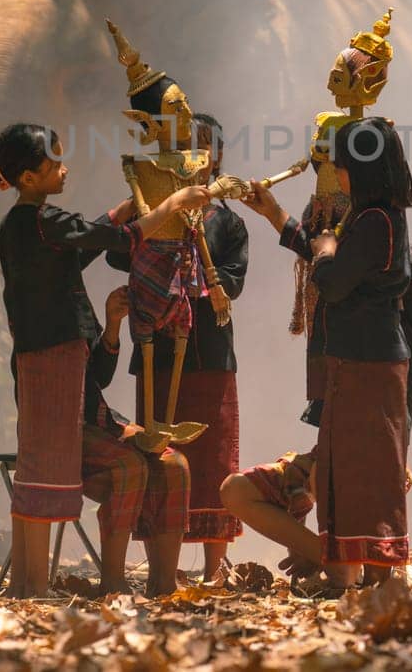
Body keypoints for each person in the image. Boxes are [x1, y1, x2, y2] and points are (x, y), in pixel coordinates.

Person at [0, 122, 210, 598]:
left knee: (172, 465)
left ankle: (162, 586)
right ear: (30, 178)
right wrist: (170, 207)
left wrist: (129, 207)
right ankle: (99, 585)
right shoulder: (38, 222)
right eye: (53, 163)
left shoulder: (33, 229)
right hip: (49, 379)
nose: (63, 168)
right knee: (118, 468)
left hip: (74, 387)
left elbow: (84, 244)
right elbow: (110, 241)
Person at [238, 117, 412, 587]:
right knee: (344, 472)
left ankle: (379, 582)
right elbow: (326, 252)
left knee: (369, 475)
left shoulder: (377, 220)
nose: (336, 174)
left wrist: (326, 248)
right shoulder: (368, 217)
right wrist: (275, 214)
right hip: (357, 362)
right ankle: (352, 578)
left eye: (341, 165)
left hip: (369, 363)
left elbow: (333, 281)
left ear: (361, 168)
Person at [108, 112, 248, 583]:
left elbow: (232, 281)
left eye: (202, 150)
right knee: (157, 455)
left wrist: (198, 286)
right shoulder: (154, 212)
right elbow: (114, 251)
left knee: (212, 459)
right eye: (184, 148)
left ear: (217, 159)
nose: (192, 159)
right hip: (157, 351)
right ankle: (159, 568)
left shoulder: (229, 225)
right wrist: (143, 206)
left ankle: (213, 570)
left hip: (209, 353)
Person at [80, 287, 190, 596]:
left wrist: (112, 325)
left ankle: (164, 583)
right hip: (59, 428)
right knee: (130, 466)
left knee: (174, 463)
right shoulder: (36, 307)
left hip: (101, 420)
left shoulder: (77, 302)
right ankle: (112, 583)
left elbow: (98, 378)